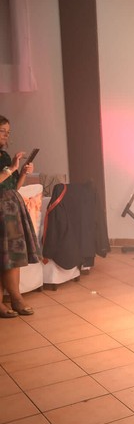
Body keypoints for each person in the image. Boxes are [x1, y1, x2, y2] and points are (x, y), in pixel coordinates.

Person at [0, 115, 39, 318]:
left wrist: (22, 172)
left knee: (12, 256)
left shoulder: (5, 156)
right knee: (2, 256)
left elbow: (14, 186)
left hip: (11, 209)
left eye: (8, 132)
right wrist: (11, 169)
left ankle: (16, 299)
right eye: (2, 131)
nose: (6, 135)